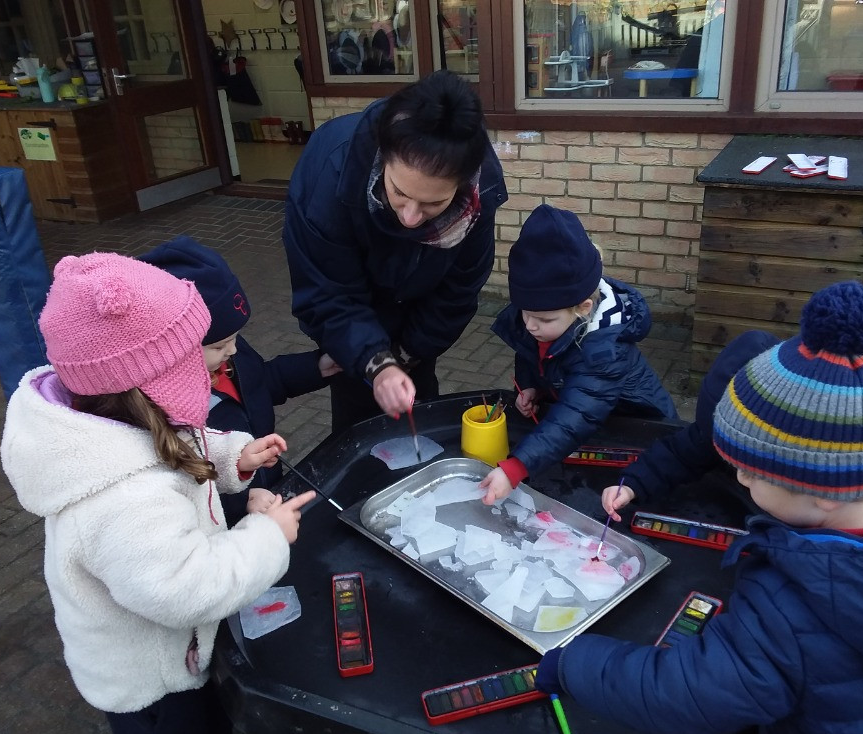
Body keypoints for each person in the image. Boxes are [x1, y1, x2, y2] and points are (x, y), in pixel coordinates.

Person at [536, 281, 863, 734]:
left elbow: (686, 691)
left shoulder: (794, 606)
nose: (740, 478)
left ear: (820, 493)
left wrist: (575, 664)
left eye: (752, 472)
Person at [0, 252, 316, 734]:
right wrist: (267, 533)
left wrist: (230, 456)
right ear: (152, 378)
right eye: (196, 354)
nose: (215, 364)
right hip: (154, 684)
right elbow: (187, 587)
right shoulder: (123, 501)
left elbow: (168, 447)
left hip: (178, 652)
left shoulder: (118, 415)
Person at [283, 69, 508, 433]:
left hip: (416, 316)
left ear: (463, 184)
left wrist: (405, 357)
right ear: (383, 156)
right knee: (359, 421)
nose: (410, 218)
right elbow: (327, 291)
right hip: (350, 321)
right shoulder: (331, 173)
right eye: (399, 193)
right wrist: (376, 363)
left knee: (418, 413)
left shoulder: (479, 199)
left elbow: (458, 291)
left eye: (433, 204)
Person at [479, 205, 677, 504]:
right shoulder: (543, 320)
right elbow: (532, 353)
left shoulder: (604, 350)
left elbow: (577, 414)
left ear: (583, 308)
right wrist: (532, 385)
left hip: (641, 433)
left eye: (544, 320)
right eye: (526, 314)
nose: (531, 325)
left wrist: (516, 467)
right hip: (593, 429)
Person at [142, 236, 340, 527]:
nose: (232, 350)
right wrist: (240, 500)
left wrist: (317, 368)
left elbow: (261, 383)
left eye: (236, 338)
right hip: (226, 523)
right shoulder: (159, 408)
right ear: (174, 348)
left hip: (267, 485)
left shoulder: (228, 355)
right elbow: (178, 480)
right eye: (220, 345)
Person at [601, 329, 779, 519]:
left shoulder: (801, 481)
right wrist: (632, 485)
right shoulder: (712, 433)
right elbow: (679, 453)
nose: (742, 476)